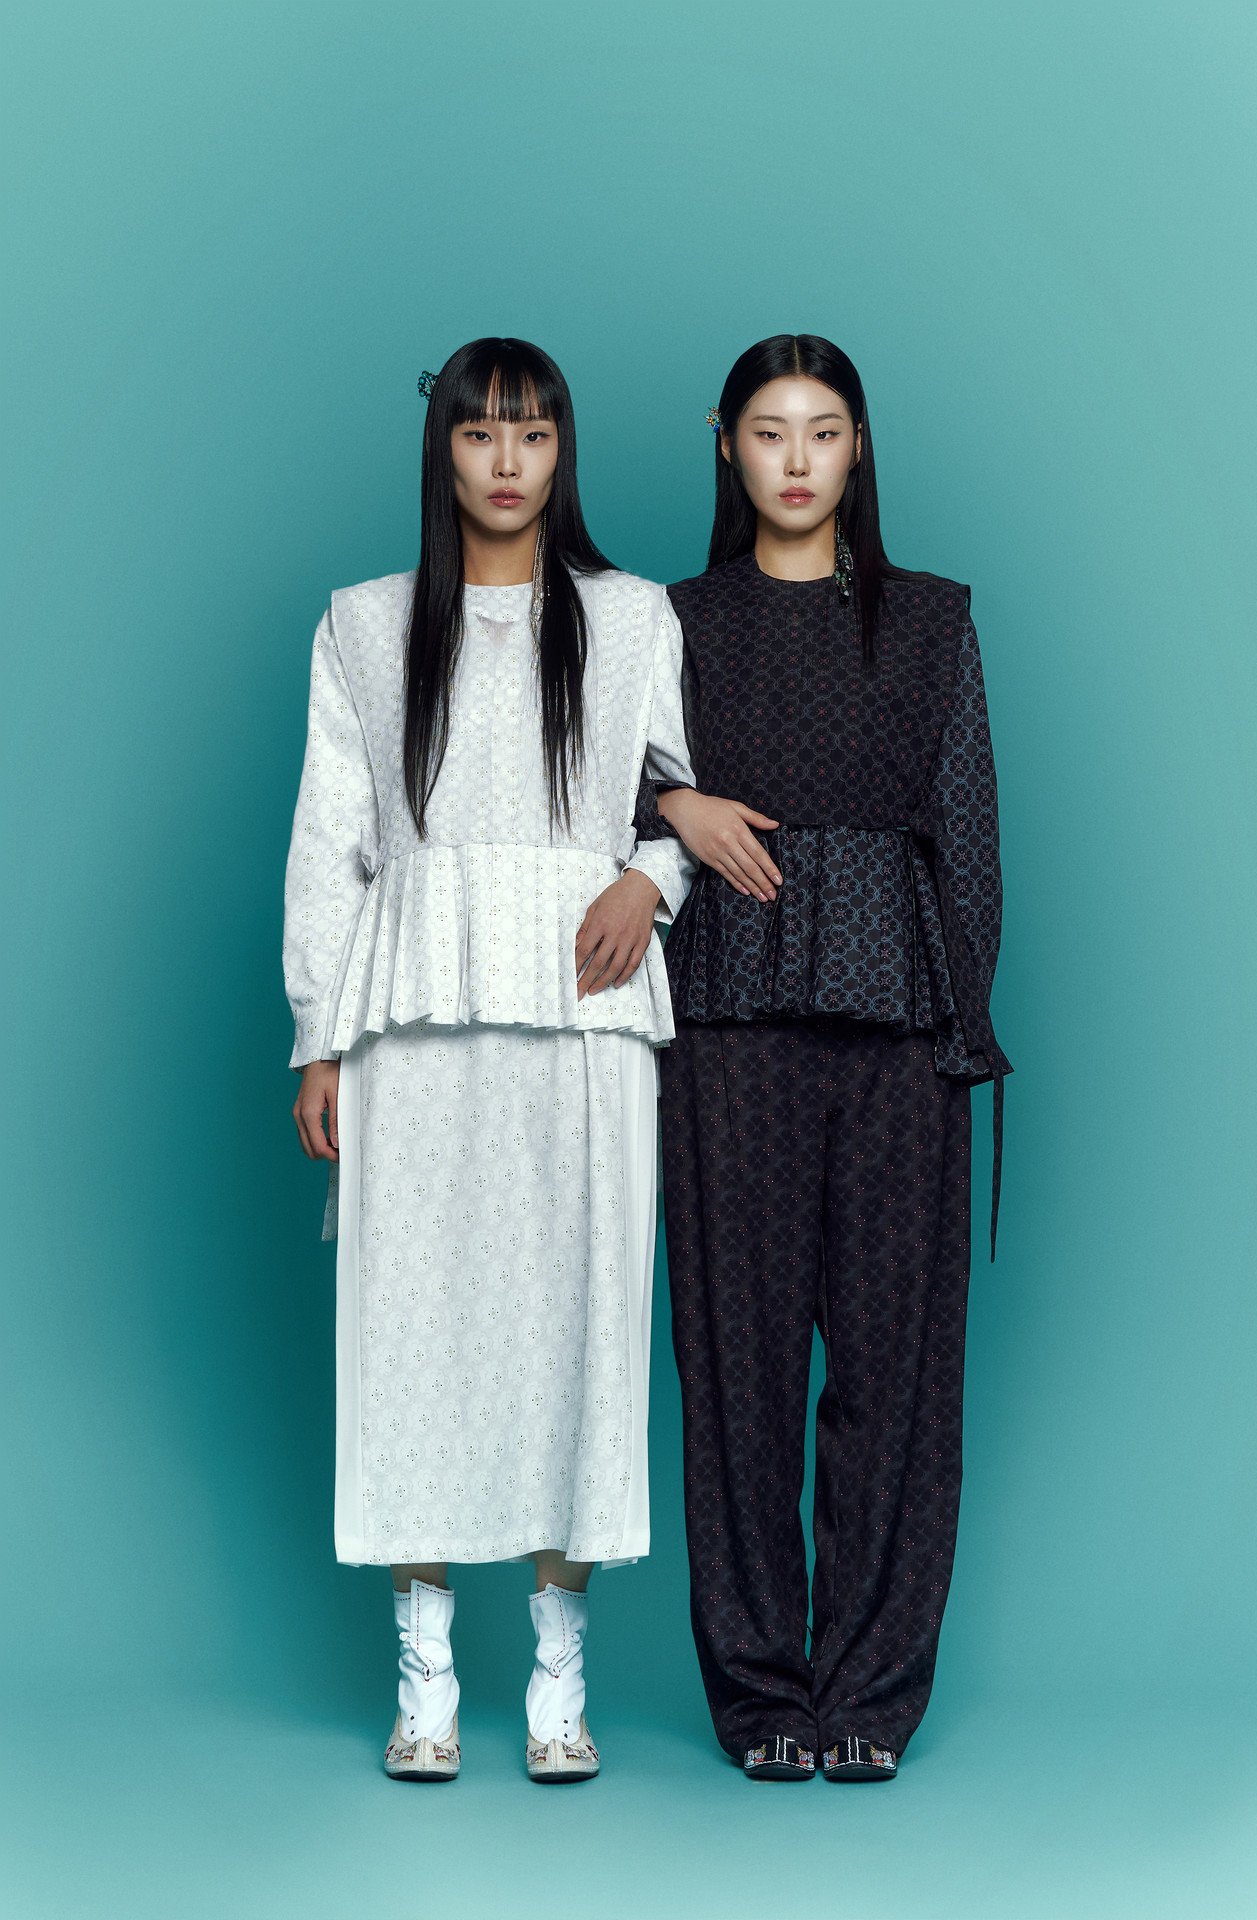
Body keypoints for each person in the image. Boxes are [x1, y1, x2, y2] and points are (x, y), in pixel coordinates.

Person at [283, 338, 695, 1784]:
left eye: (532, 434)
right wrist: (318, 1038)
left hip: (585, 1011)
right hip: (415, 1012)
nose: (508, 462)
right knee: (416, 1328)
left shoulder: (632, 617)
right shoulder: (364, 624)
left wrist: (650, 880)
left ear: (563, 449)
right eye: (480, 434)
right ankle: (428, 1677)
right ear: (443, 451)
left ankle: (560, 1680)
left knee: (579, 1329)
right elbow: (330, 846)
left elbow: (677, 802)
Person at [637, 333, 1010, 1782]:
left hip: (902, 1027)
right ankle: (760, 1700)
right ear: (726, 444)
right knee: (733, 1374)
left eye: (826, 431)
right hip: (726, 1025)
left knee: (896, 1377)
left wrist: (964, 1022)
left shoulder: (931, 618)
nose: (797, 460)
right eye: (769, 431)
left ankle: (869, 1695)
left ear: (859, 448)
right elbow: (583, 784)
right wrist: (673, 807)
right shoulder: (670, 621)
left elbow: (967, 830)